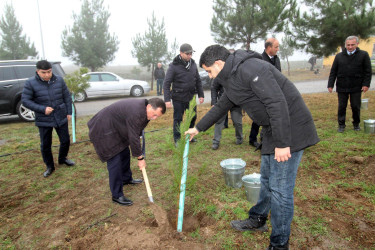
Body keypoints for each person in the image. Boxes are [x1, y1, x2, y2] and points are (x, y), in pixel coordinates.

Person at [185, 45, 319, 249]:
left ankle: (279, 244)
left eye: (209, 71)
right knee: (266, 179)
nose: (210, 77)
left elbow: (276, 103)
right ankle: (258, 219)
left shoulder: (251, 68)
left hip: (290, 128)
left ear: (219, 64)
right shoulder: (231, 77)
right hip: (273, 128)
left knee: (281, 190)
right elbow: (222, 105)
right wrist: (198, 128)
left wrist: (283, 143)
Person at [87, 98, 166, 206]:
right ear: (149, 107)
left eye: (157, 116)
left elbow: (137, 133)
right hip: (104, 128)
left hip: (116, 126)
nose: (154, 118)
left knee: (124, 153)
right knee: (114, 160)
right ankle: (117, 195)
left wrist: (140, 152)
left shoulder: (144, 111)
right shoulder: (137, 112)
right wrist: (140, 158)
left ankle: (126, 178)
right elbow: (133, 137)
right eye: (155, 115)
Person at [22, 60, 75, 178]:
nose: (47, 75)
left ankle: (62, 158)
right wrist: (42, 109)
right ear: (38, 71)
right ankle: (50, 166)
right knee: (46, 144)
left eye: (49, 72)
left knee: (65, 140)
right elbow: (25, 100)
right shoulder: (30, 83)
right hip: (43, 118)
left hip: (60, 115)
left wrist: (69, 112)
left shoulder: (59, 80)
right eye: (43, 72)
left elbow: (66, 96)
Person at [328, 35, 372, 133]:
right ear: (345, 45)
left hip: (356, 86)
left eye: (352, 44)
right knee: (342, 106)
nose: (350, 47)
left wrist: (366, 84)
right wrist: (330, 85)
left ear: (357, 44)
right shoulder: (339, 56)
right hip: (342, 86)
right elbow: (333, 71)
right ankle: (341, 125)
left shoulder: (363, 55)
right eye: (348, 45)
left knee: (356, 106)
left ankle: (356, 124)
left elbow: (367, 72)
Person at [163, 43, 204, 144]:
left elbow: (198, 80)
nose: (190, 56)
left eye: (191, 54)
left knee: (193, 117)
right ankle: (177, 140)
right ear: (181, 53)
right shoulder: (174, 66)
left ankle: (190, 135)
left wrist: (201, 94)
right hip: (178, 98)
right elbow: (166, 83)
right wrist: (167, 100)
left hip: (191, 97)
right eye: (187, 54)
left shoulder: (193, 64)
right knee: (178, 119)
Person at [249, 38, 281, 148]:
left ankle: (267, 138)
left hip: (274, 93)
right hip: (261, 94)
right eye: (276, 47)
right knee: (259, 117)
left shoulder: (277, 59)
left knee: (273, 116)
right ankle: (252, 139)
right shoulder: (260, 60)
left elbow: (279, 75)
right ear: (268, 48)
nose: (278, 49)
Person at [211, 78, 243, 150]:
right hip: (223, 102)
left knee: (237, 122)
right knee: (219, 122)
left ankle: (239, 138)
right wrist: (214, 102)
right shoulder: (220, 73)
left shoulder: (239, 72)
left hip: (236, 102)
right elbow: (214, 88)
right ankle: (216, 142)